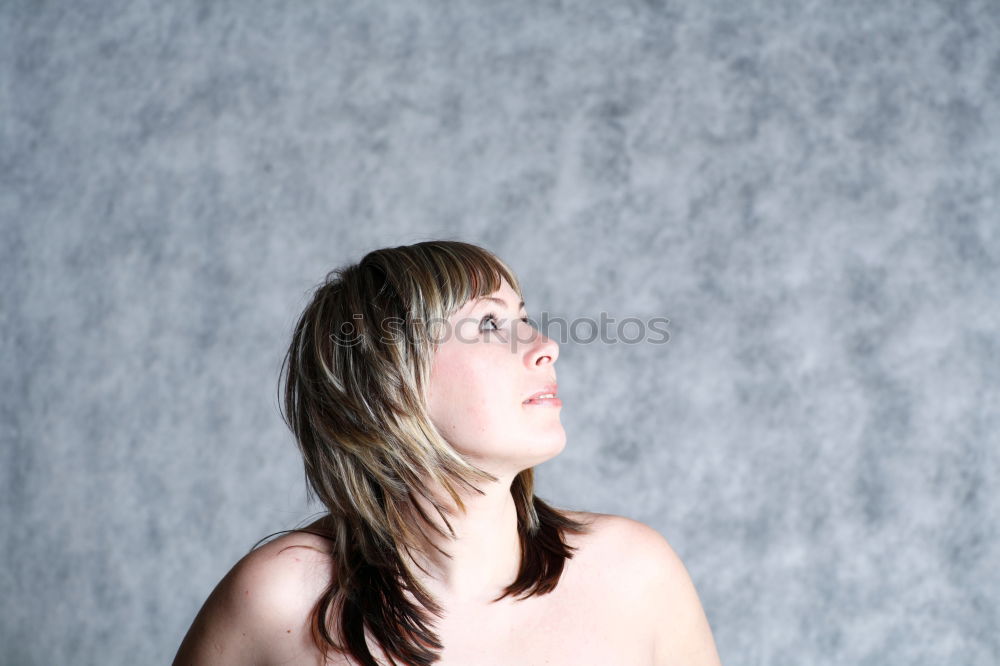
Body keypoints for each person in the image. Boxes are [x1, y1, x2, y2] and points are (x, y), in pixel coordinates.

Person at [173, 240, 721, 665]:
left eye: (523, 318)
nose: (546, 345)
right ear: (389, 382)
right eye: (489, 323)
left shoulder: (635, 573)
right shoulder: (277, 598)